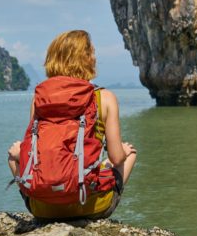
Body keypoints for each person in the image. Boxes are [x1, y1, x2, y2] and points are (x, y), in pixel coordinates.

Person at [7, 29, 137, 220]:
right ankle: (91, 206)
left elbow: (33, 150)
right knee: (129, 154)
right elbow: (117, 159)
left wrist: (18, 153)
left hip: (42, 209)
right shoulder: (105, 98)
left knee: (13, 156)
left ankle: (43, 201)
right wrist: (124, 152)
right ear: (88, 59)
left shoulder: (39, 99)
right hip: (89, 206)